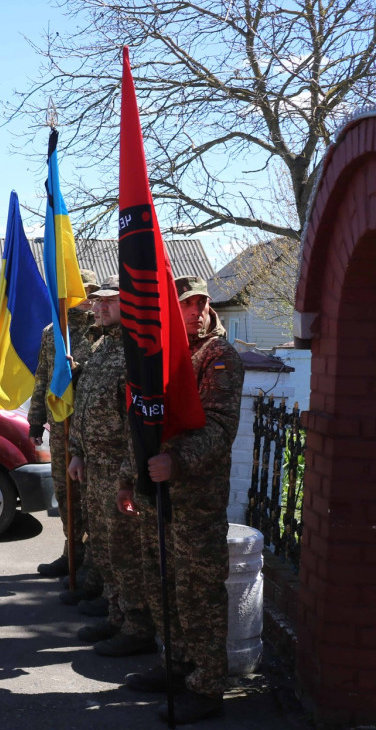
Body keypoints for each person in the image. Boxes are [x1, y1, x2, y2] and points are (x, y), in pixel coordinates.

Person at [118, 275, 244, 724]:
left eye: (202, 303)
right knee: (164, 584)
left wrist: (177, 461)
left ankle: (208, 686)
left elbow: (220, 427)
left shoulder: (219, 355)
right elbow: (141, 424)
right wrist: (128, 479)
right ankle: (178, 667)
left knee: (198, 592)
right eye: (186, 304)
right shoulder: (164, 355)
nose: (196, 311)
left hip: (196, 499)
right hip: (157, 494)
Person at [66, 277, 156, 656]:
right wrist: (77, 451)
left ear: (128, 304)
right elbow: (85, 407)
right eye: (97, 302)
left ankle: (137, 627)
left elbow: (135, 424)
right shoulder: (102, 347)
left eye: (110, 302)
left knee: (126, 551)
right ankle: (116, 613)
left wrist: (126, 475)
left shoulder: (135, 353)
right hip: (95, 467)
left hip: (120, 469)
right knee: (104, 547)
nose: (100, 308)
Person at [30, 269, 100, 578]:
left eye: (90, 293)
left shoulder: (100, 332)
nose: (84, 299)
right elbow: (43, 377)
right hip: (61, 427)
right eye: (79, 292)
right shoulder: (53, 332)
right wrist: (35, 420)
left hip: (92, 429)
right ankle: (72, 552)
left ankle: (95, 563)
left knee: (92, 498)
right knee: (66, 493)